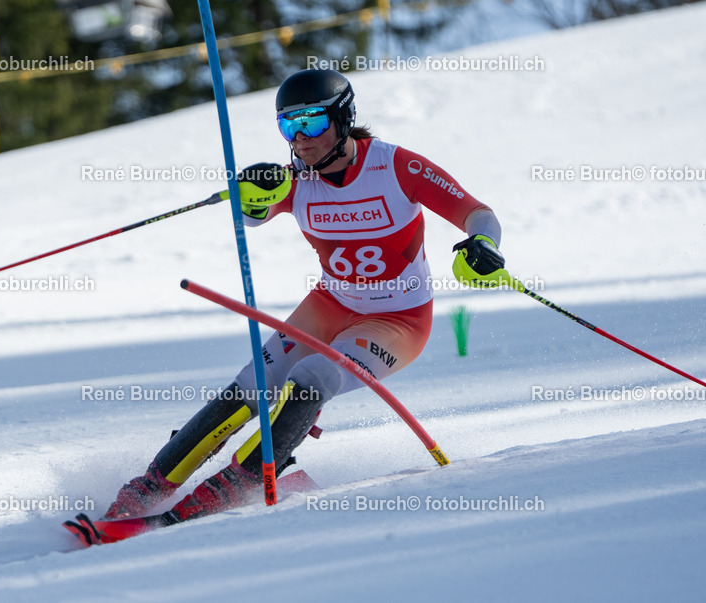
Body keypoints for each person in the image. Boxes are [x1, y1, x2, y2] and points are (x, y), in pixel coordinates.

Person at [102, 68, 506, 524]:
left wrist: (483, 244)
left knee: (312, 376)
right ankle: (146, 489)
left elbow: (478, 213)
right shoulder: (294, 177)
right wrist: (250, 192)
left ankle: (238, 484)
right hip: (331, 304)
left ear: (343, 118)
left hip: (398, 320)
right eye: (288, 126)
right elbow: (253, 217)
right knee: (252, 383)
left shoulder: (397, 166)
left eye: (311, 122)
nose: (300, 138)